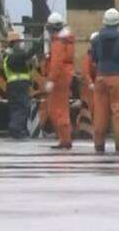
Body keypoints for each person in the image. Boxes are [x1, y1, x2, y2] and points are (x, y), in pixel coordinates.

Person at [88, 8, 119, 154]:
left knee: (100, 112)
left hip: (101, 78)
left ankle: (99, 144)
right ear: (118, 23)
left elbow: (94, 58)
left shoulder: (96, 39)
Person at [42, 13, 76, 150]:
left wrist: (51, 80)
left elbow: (56, 63)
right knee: (61, 109)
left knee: (57, 110)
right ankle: (64, 138)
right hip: (64, 76)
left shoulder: (58, 43)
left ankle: (65, 139)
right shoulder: (67, 41)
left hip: (59, 78)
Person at [2, 30, 36, 140]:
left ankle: (17, 131)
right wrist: (37, 46)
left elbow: (24, 64)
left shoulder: (8, 55)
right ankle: (15, 128)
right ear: (14, 42)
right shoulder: (14, 55)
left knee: (15, 107)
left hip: (12, 85)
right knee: (22, 107)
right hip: (20, 85)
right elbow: (26, 55)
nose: (20, 44)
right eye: (18, 42)